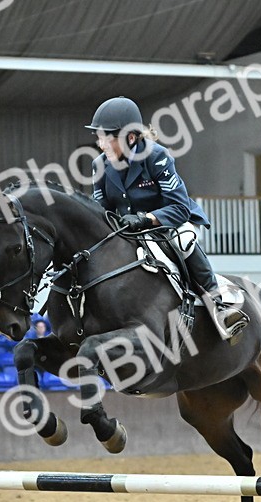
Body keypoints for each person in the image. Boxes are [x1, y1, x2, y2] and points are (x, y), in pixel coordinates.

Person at [87, 96, 248, 340]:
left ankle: (219, 303)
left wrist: (144, 219)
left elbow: (179, 207)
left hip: (167, 222)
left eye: (106, 138)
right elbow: (100, 209)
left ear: (130, 137)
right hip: (127, 229)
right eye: (98, 138)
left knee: (183, 241)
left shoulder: (156, 156)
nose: (101, 145)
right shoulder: (100, 164)